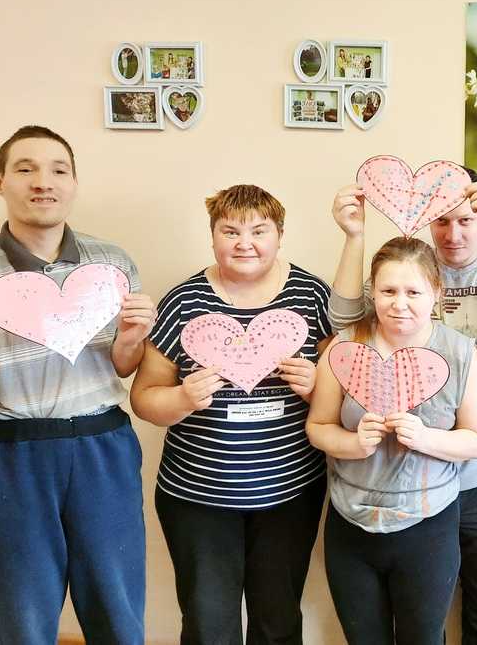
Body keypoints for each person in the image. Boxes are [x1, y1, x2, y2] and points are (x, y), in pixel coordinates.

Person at [0, 125, 155, 643]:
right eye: (25, 169)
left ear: (74, 182)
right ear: (0, 181)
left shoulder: (112, 264)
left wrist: (131, 339)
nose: (42, 181)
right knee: (19, 615)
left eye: (58, 170)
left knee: (117, 609)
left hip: (104, 447)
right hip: (14, 454)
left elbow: (123, 367)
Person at [329, 170, 477, 644]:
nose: (454, 234)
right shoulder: (404, 271)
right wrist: (353, 236)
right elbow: (343, 324)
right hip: (406, 480)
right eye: (442, 221)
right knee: (423, 615)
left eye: (466, 220)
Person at [130, 184, 331, 644]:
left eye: (259, 230)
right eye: (230, 231)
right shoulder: (184, 301)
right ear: (213, 236)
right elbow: (144, 398)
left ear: (279, 235)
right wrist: (182, 398)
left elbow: (343, 394)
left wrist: (315, 387)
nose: (245, 243)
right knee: (208, 627)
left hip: (289, 494)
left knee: (278, 622)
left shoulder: (311, 295)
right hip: (197, 497)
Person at [307, 236, 477, 645]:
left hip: (427, 526)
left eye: (413, 292)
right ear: (373, 292)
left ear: (436, 292)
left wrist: (425, 438)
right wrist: (353, 444)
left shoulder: (460, 353)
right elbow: (318, 426)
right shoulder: (345, 346)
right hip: (351, 523)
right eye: (388, 291)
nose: (399, 304)